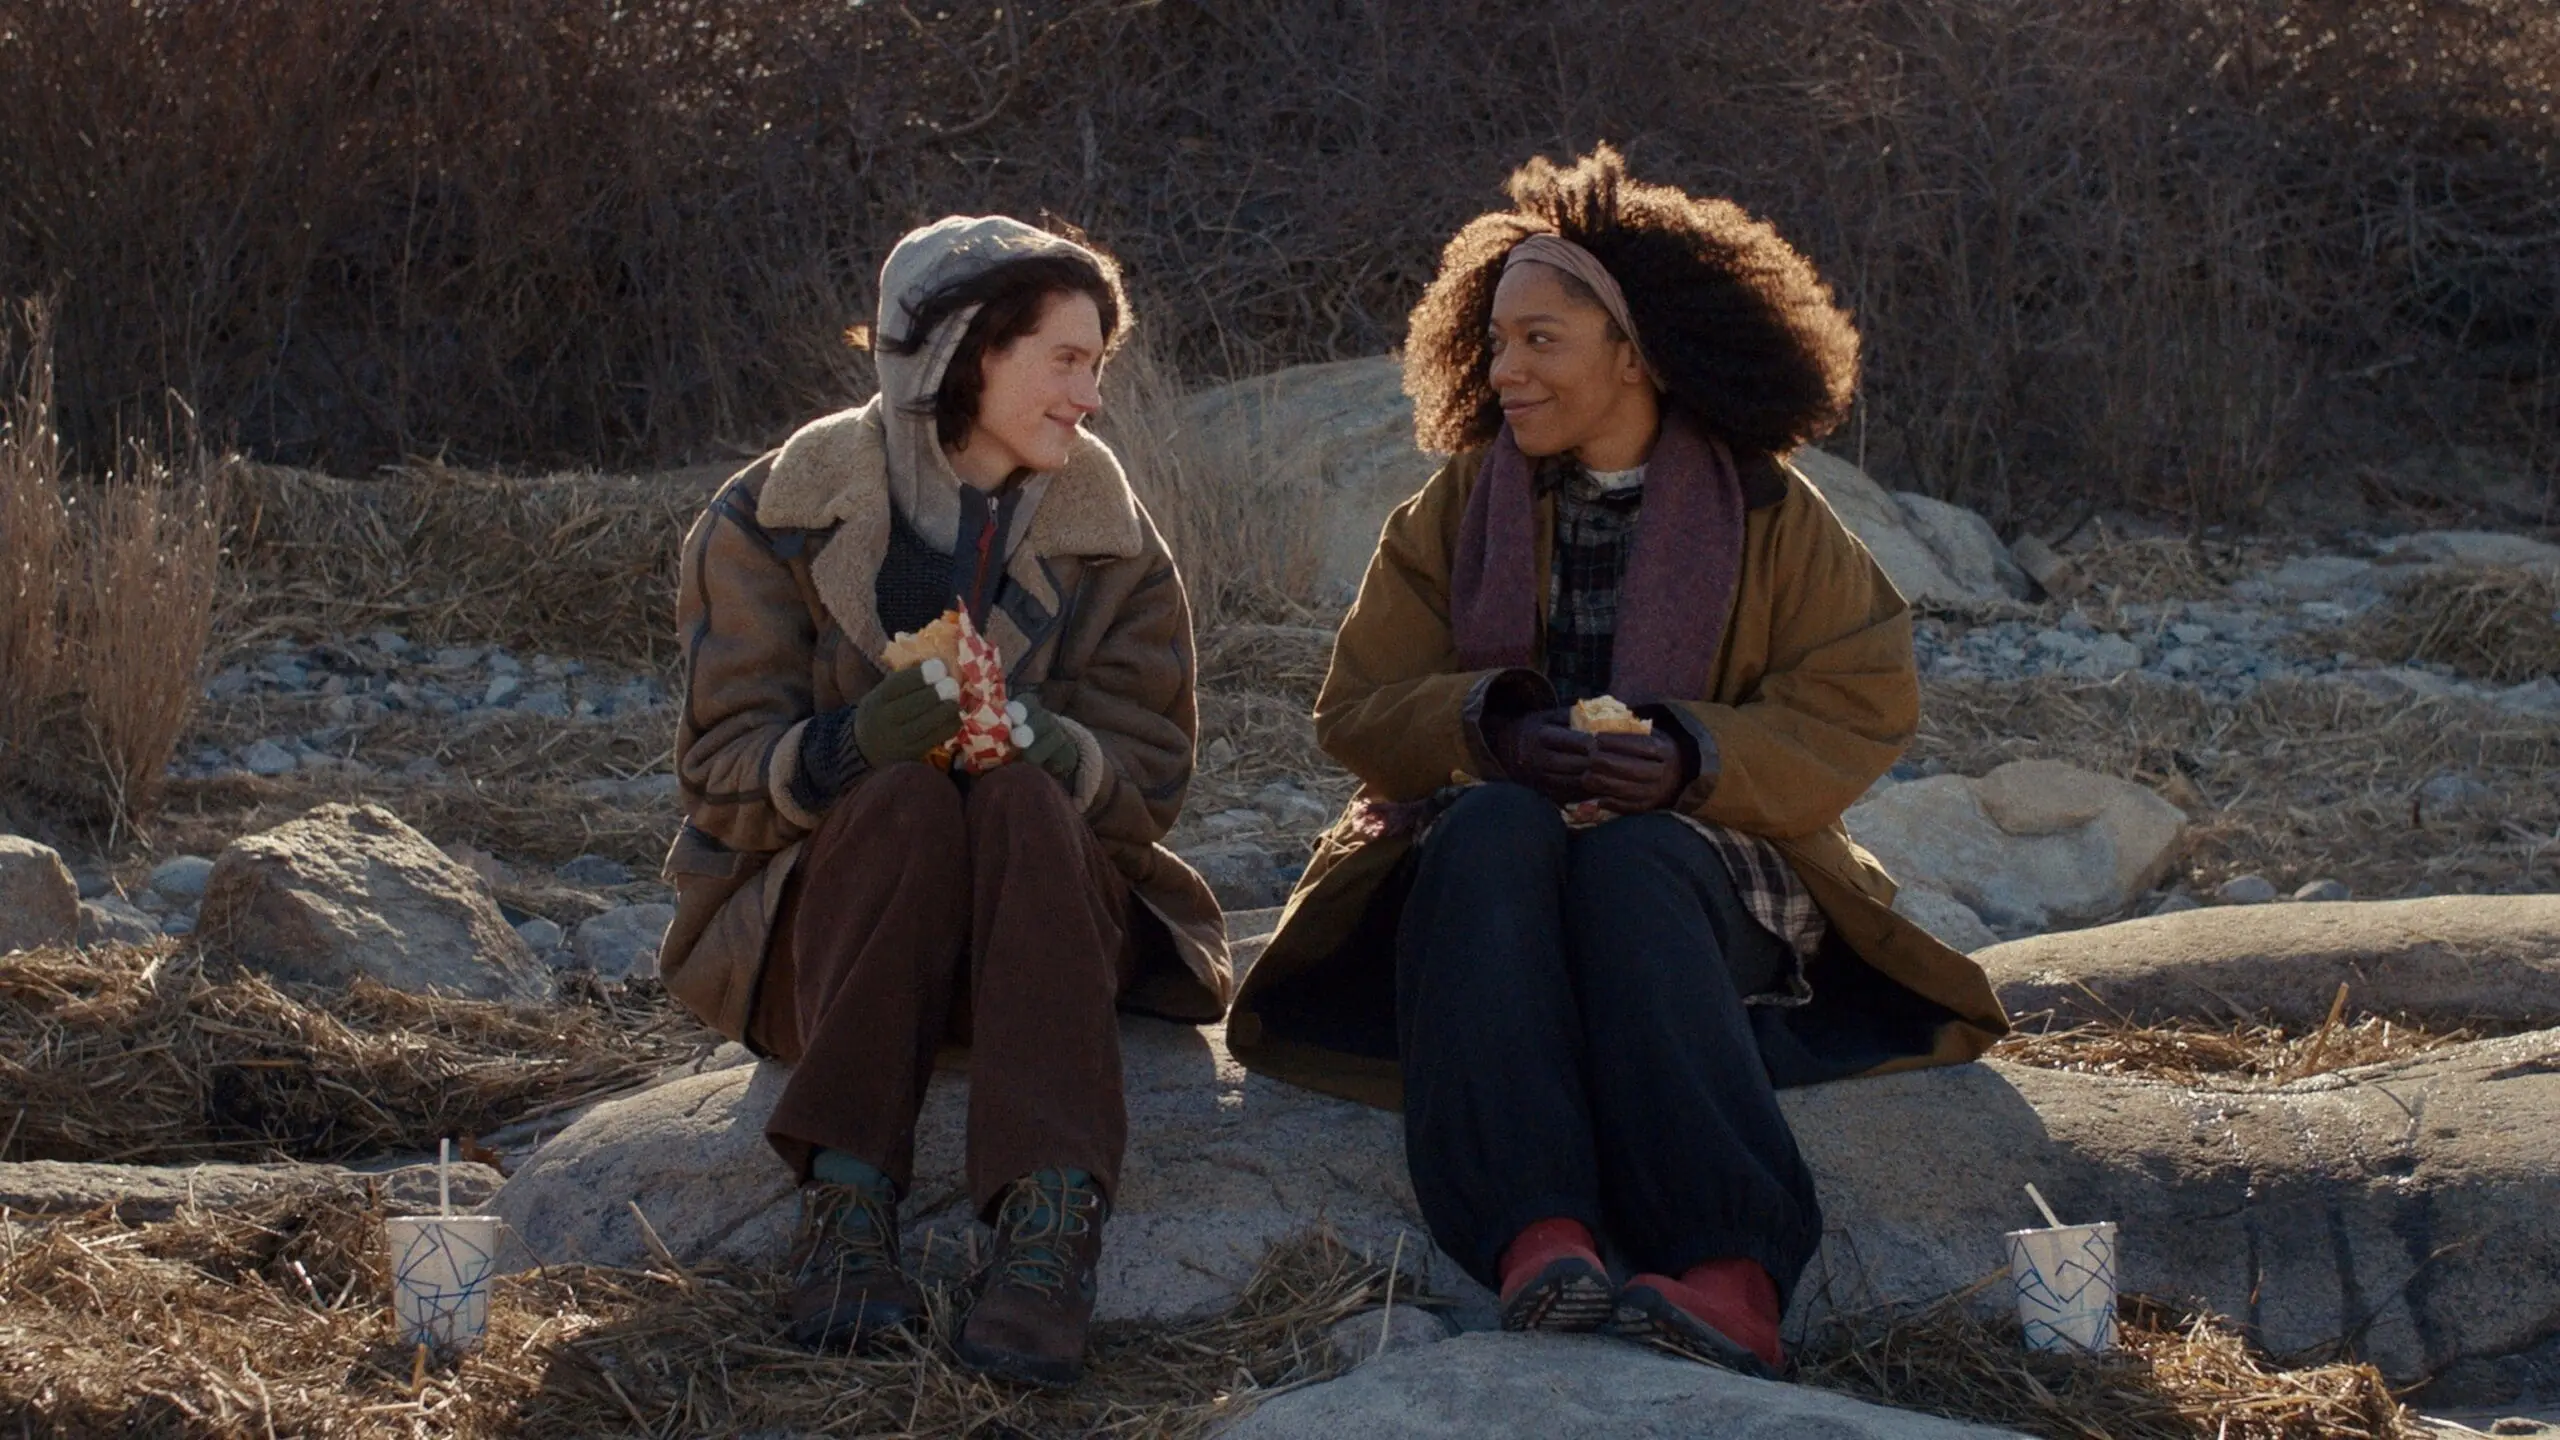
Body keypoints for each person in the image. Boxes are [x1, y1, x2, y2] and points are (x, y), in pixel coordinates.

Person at [1228, 147, 2009, 1377]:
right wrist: (1489, 727)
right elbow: (1357, 706)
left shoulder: (1771, 512)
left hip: (1703, 871)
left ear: (1635, 352)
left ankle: (1732, 1275)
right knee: (1493, 826)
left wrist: (1696, 756)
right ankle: (1538, 1240)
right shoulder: (1455, 509)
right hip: (1491, 876)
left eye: (1540, 340)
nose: (1504, 369)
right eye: (1494, 341)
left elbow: (1859, 702)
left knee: (1637, 861)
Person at [655, 215, 1232, 1388]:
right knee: (903, 803)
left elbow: (1152, 778)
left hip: (1045, 939)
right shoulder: (770, 516)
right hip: (833, 948)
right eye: (1064, 361)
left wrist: (1059, 751)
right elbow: (720, 770)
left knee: (1019, 798)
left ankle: (1049, 1234)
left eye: (1097, 366)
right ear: (963, 353)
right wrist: (846, 747)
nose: (1090, 398)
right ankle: (847, 1207)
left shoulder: (1111, 537)